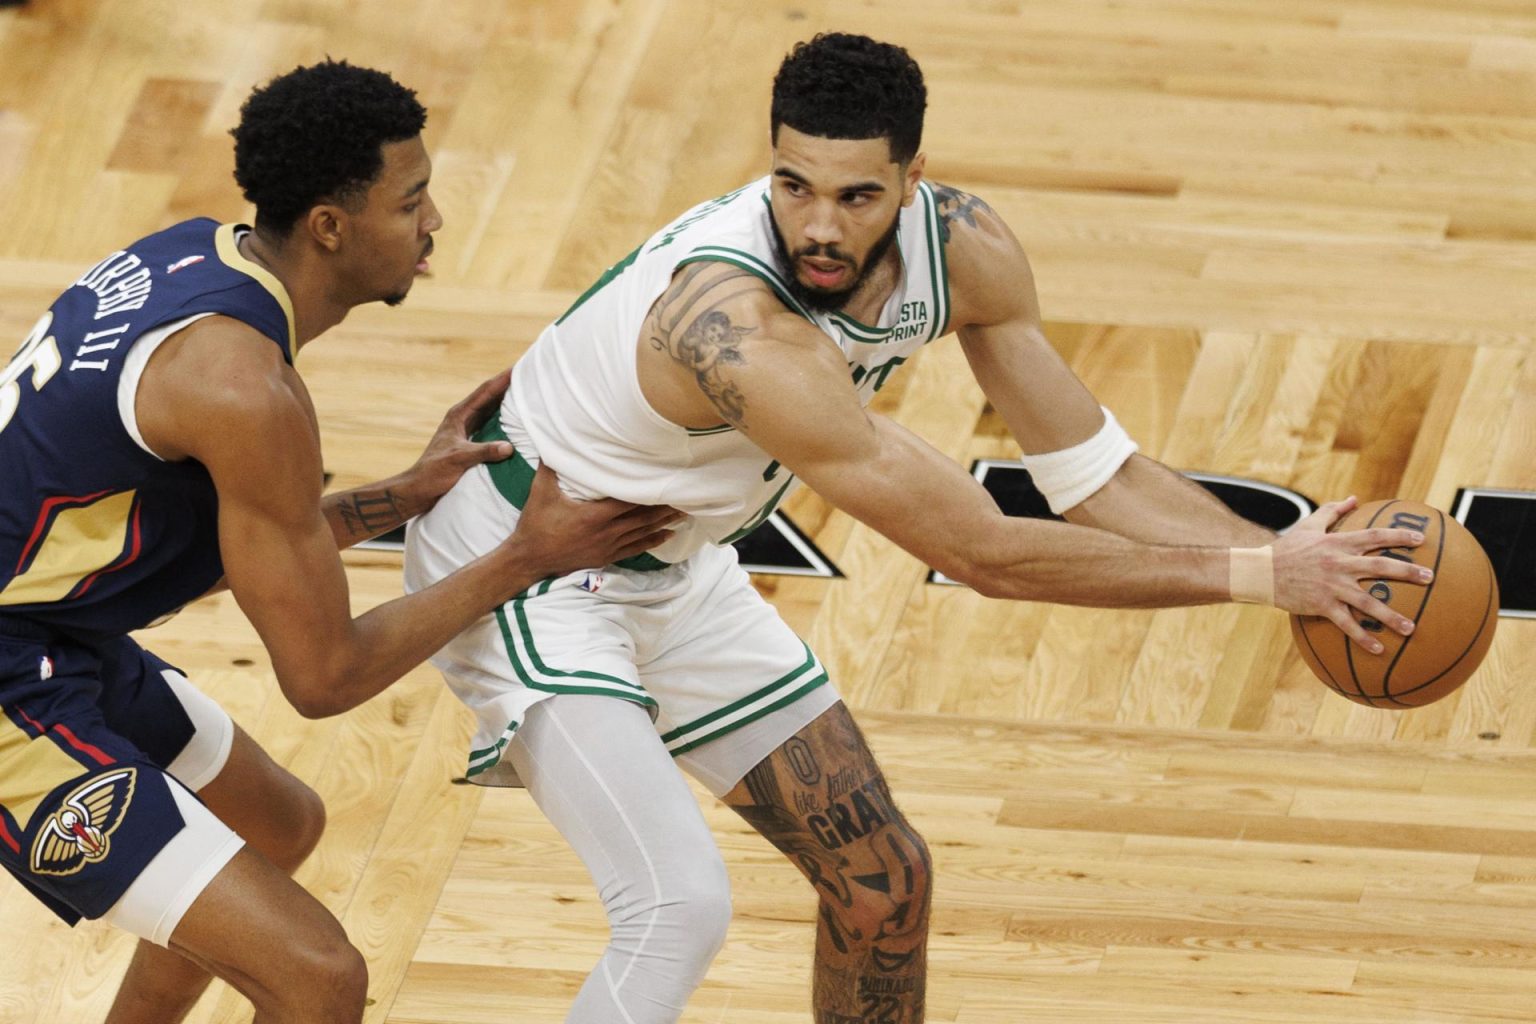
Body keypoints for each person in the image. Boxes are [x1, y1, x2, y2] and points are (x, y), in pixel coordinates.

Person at [404, 33, 1431, 1024]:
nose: (817, 226)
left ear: (912, 179)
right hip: (523, 559)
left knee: (881, 882)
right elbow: (982, 552)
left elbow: (1091, 473)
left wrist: (1286, 559)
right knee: (677, 907)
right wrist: (1260, 576)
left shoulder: (965, 249)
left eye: (855, 196)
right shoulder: (736, 328)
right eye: (792, 184)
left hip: (672, 560)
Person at [0, 60, 677, 1024]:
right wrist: (525, 558)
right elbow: (324, 678)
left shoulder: (196, 255)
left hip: (54, 633)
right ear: (329, 226)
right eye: (411, 201)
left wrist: (403, 494)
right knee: (321, 978)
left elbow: (250, 540)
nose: (436, 219)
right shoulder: (243, 390)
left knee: (275, 823)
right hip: (9, 675)